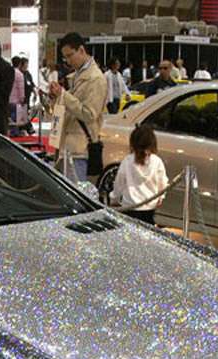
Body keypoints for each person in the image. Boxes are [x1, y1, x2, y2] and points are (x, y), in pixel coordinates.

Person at [48, 32, 106, 182]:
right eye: (65, 57)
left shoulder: (96, 78)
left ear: (81, 50)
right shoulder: (76, 76)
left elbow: (89, 114)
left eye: (70, 55)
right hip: (67, 147)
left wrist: (64, 95)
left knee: (75, 193)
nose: (68, 61)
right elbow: (67, 109)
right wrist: (55, 97)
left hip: (80, 149)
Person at [110, 123, 168, 226]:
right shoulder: (157, 161)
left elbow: (119, 182)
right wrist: (160, 197)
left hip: (129, 206)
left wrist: (114, 199)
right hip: (149, 207)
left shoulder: (127, 161)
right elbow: (162, 182)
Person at [20, 57, 36, 134]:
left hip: (27, 95)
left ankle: (26, 127)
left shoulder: (27, 73)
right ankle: (29, 128)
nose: (27, 65)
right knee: (23, 112)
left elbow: (31, 83)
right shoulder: (20, 73)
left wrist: (34, 91)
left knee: (25, 111)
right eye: (26, 63)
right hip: (22, 95)